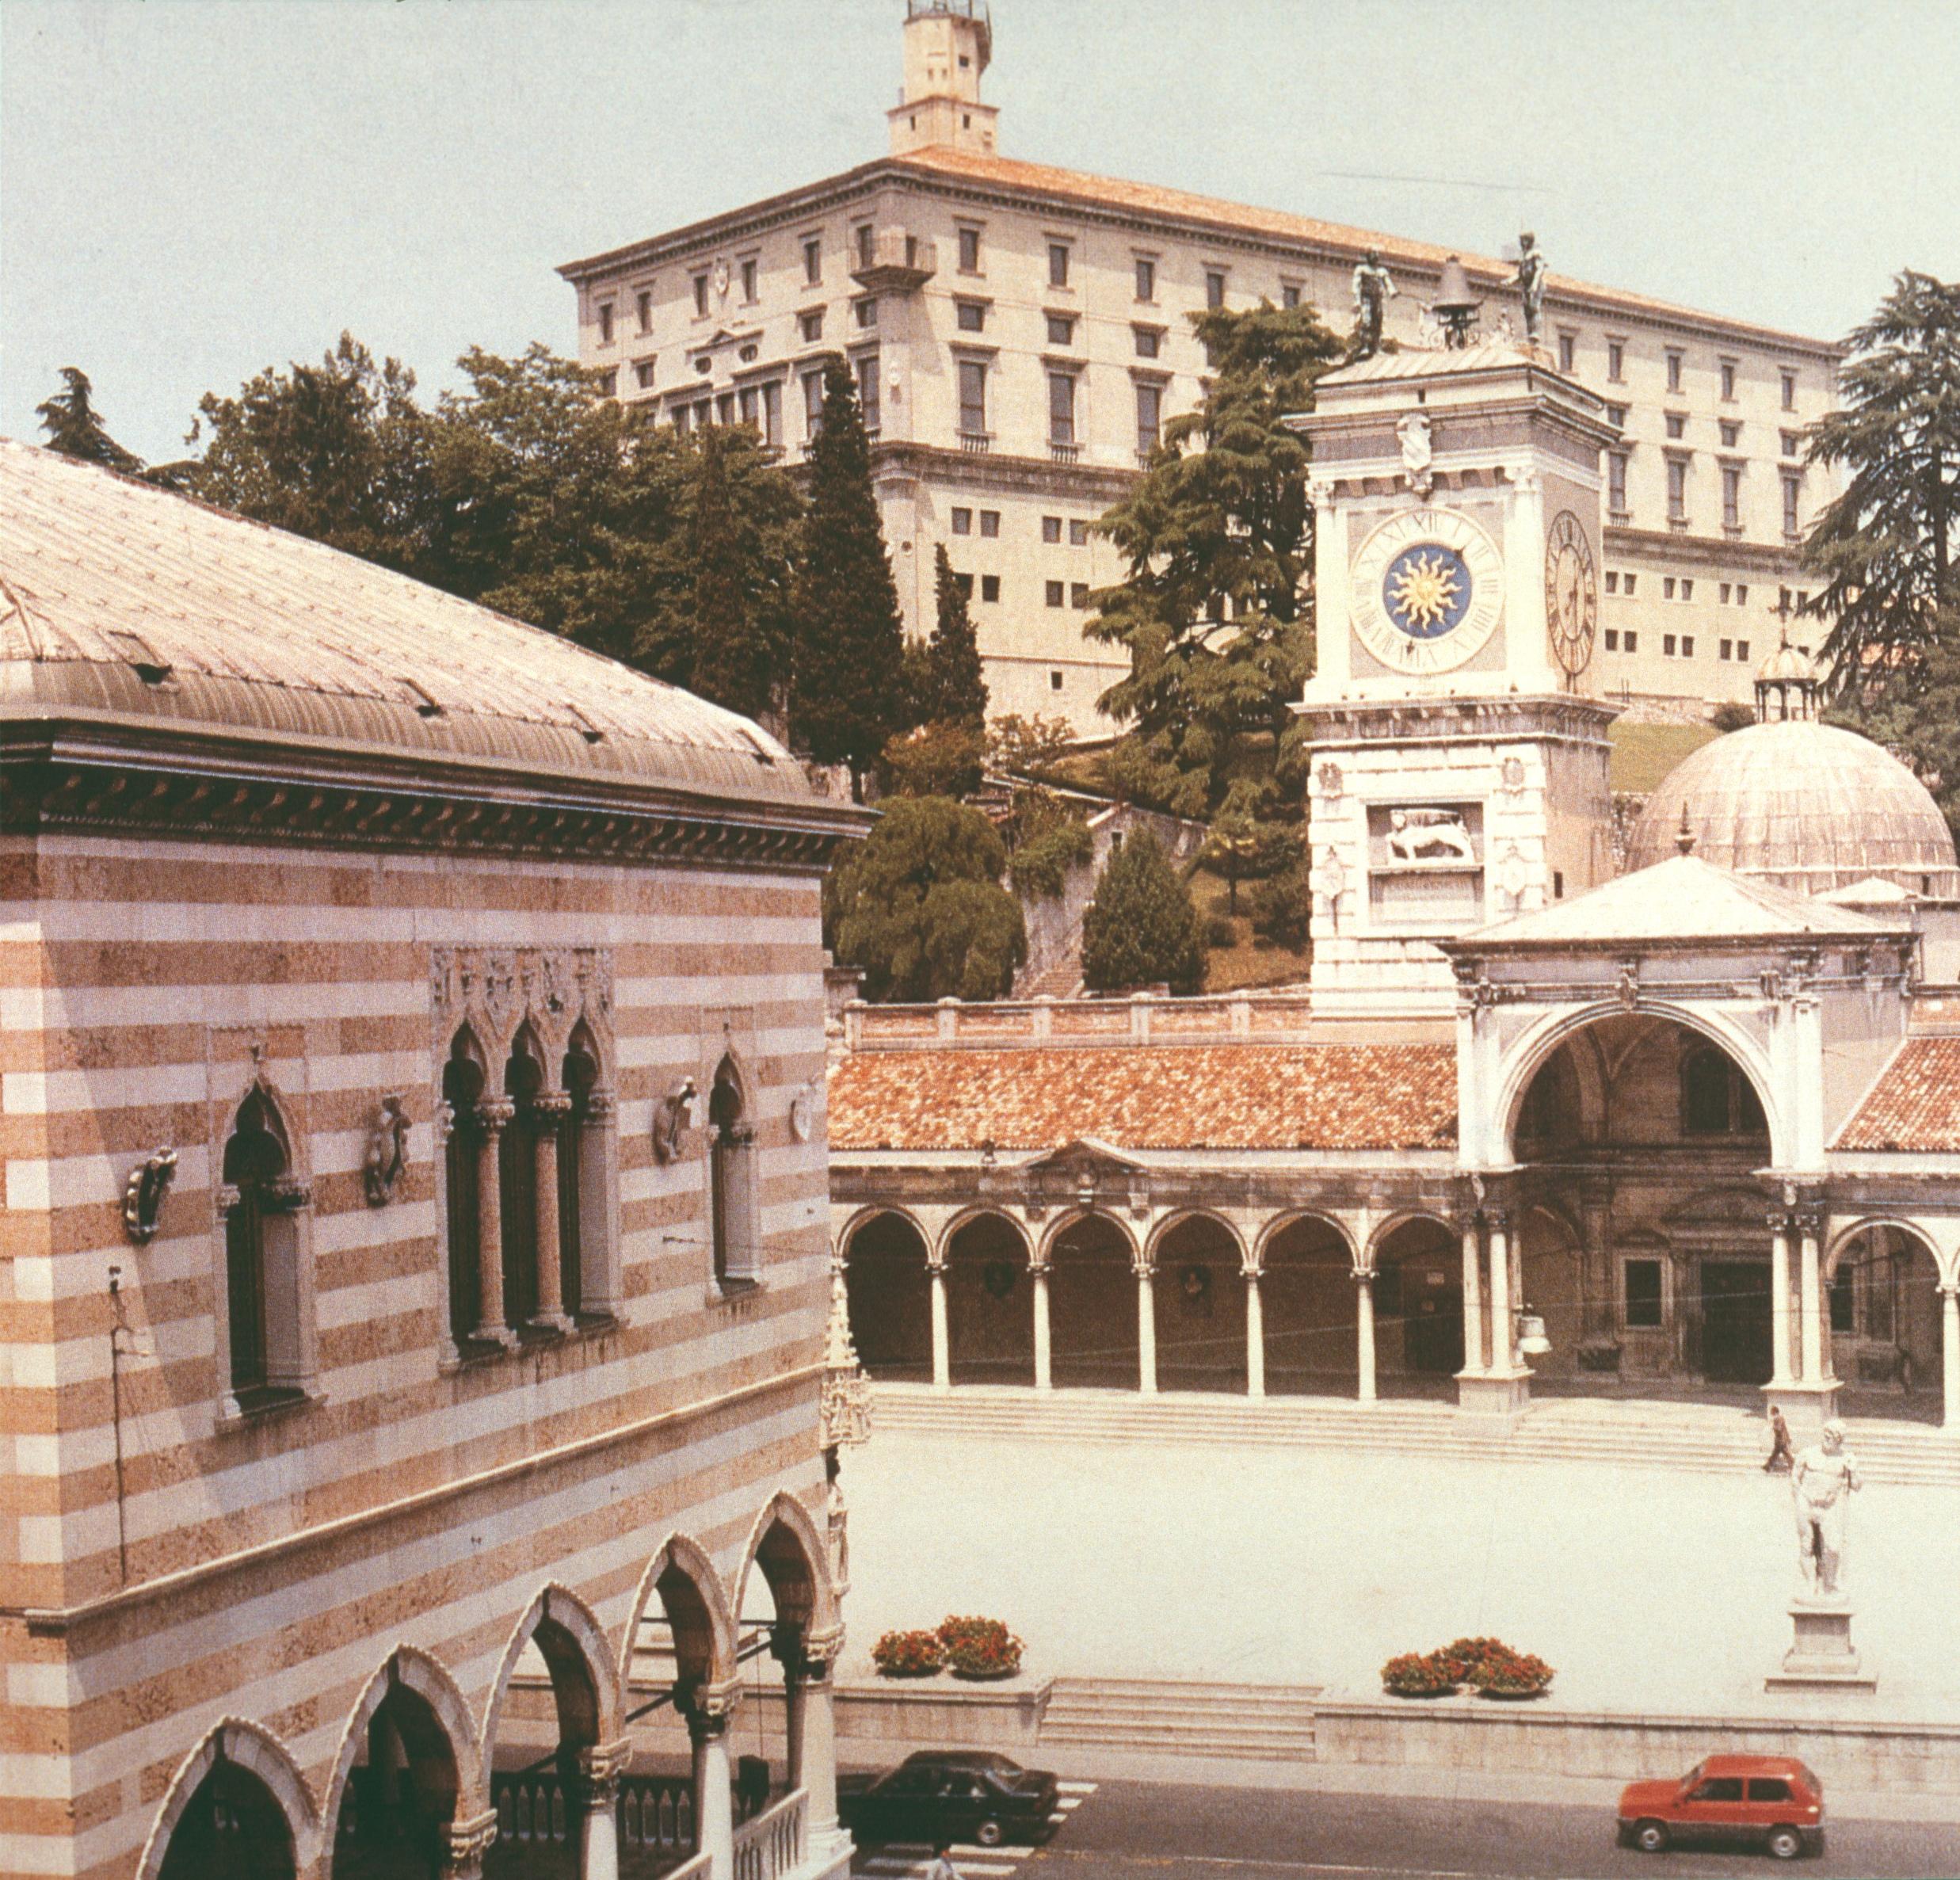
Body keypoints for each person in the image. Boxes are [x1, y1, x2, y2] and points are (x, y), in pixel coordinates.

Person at [1791, 1418, 1861, 1596]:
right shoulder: (1808, 1454)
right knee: (1807, 1546)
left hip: (1830, 1507)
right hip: (1806, 1503)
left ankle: (1829, 1582)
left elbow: (1856, 1486)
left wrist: (1852, 1471)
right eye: (1825, 1435)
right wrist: (1799, 1497)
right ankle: (1810, 1583)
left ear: (1839, 1440)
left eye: (1832, 1437)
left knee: (1833, 1547)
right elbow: (1795, 1476)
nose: (1827, 1439)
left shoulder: (1846, 1459)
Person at [1763, 1403, 1794, 1473]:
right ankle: (1768, 1466)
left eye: (1772, 1413)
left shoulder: (1778, 1418)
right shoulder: (1779, 1418)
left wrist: (1772, 1427)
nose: (1771, 1415)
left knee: (1786, 1454)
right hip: (1781, 1440)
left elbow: (1779, 1428)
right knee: (1776, 1453)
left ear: (1775, 1412)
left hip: (1781, 1440)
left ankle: (1793, 1467)